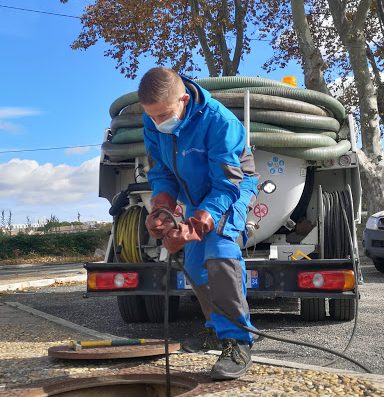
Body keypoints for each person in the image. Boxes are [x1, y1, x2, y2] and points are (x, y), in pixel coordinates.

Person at [138, 67, 258, 380]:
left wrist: (194, 227)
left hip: (230, 189)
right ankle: (218, 331)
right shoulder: (154, 123)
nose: (157, 122)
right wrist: (162, 208)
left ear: (185, 98)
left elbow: (226, 185)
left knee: (218, 254)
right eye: (151, 116)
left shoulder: (220, 122)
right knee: (194, 266)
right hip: (195, 195)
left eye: (163, 114)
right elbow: (162, 172)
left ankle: (238, 342)